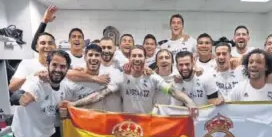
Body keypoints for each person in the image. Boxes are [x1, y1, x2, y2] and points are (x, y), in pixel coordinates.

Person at [63, 45, 199, 117]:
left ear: (145, 58)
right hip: (126, 124)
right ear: (129, 59)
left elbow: (173, 91)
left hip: (147, 123)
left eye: (140, 56)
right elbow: (100, 95)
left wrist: (189, 102)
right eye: (134, 56)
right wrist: (75, 103)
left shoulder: (152, 77)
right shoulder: (121, 77)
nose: (137, 58)